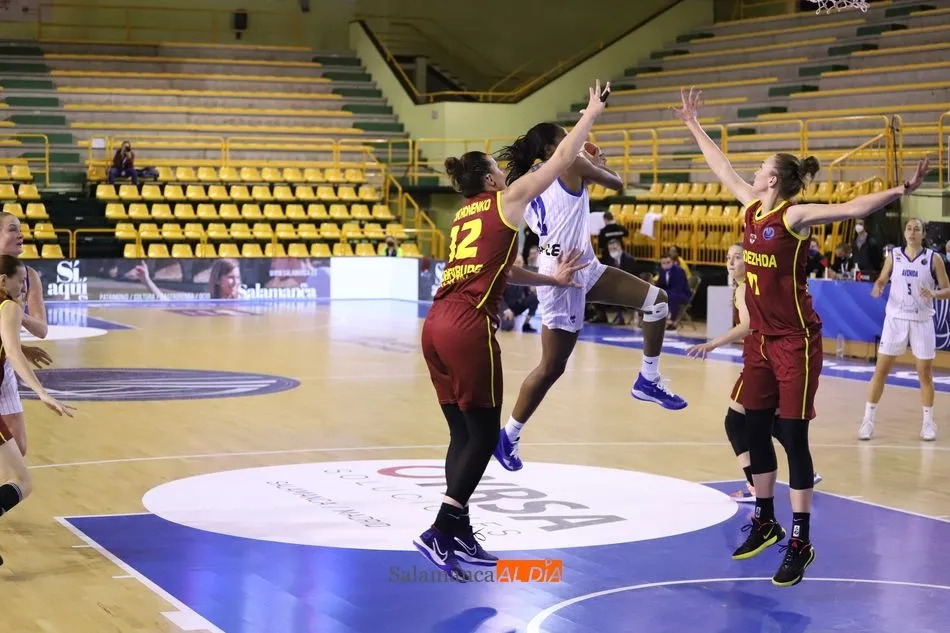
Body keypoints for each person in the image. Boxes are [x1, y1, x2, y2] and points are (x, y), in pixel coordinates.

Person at [676, 85, 930, 587]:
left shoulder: (792, 216)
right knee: (751, 428)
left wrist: (902, 189)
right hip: (761, 341)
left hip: (796, 341)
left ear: (773, 178)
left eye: (760, 168)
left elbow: (854, 208)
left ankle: (801, 539)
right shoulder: (751, 207)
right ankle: (765, 519)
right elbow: (722, 168)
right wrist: (693, 125)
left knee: (792, 435)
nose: (752, 172)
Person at [415, 79, 608, 581]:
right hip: (466, 327)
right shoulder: (507, 201)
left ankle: (459, 530)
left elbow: (505, 270)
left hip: (434, 324)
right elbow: (561, 159)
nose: (506, 174)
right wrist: (590, 113)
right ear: (490, 179)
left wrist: (551, 279)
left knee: (462, 435)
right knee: (484, 437)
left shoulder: (465, 215)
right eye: (499, 170)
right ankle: (440, 529)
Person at [492, 121, 687, 472]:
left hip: (580, 263)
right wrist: (598, 162)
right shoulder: (571, 164)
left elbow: (572, 198)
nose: (574, 139)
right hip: (564, 274)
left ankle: (648, 379)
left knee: (657, 301)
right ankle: (508, 435)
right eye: (566, 136)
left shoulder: (531, 178)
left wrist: (592, 164)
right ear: (553, 147)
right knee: (552, 367)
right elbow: (617, 183)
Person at [687, 243, 823, 503]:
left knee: (735, 422)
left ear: (749, 261)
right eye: (728, 257)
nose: (731, 262)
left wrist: (713, 343)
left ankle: (754, 485)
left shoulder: (745, 289)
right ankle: (803, 469)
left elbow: (749, 325)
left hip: (760, 358)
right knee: (773, 423)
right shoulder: (753, 285)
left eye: (737, 257)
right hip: (771, 357)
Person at [0, 254, 74, 565]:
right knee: (23, 481)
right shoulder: (9, 307)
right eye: (21, 282)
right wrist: (41, 392)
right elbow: (12, 352)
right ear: (3, 281)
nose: (24, 288)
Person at [859, 218, 949, 441]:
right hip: (895, 319)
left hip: (922, 320)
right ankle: (867, 420)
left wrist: (934, 293)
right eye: (909, 228)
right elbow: (882, 278)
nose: (912, 232)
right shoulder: (894, 255)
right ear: (905, 232)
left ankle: (928, 423)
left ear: (923, 234)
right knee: (880, 371)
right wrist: (879, 286)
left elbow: (947, 289)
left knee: (925, 373)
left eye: (916, 229)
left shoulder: (934, 258)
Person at [0, 212, 52, 457]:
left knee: (18, 448)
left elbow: (41, 329)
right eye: (13, 229)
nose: (20, 235)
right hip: (7, 354)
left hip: (5, 365)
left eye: (20, 229)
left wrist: (17, 314)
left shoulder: (29, 276)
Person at [656, 253, 691, 329]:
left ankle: (672, 321)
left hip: (682, 294)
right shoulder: (662, 271)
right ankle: (652, 319)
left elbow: (678, 289)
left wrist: (664, 293)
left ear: (672, 262)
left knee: (673, 296)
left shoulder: (679, 271)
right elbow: (660, 285)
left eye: (668, 262)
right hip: (669, 293)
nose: (666, 265)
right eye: (663, 263)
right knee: (654, 294)